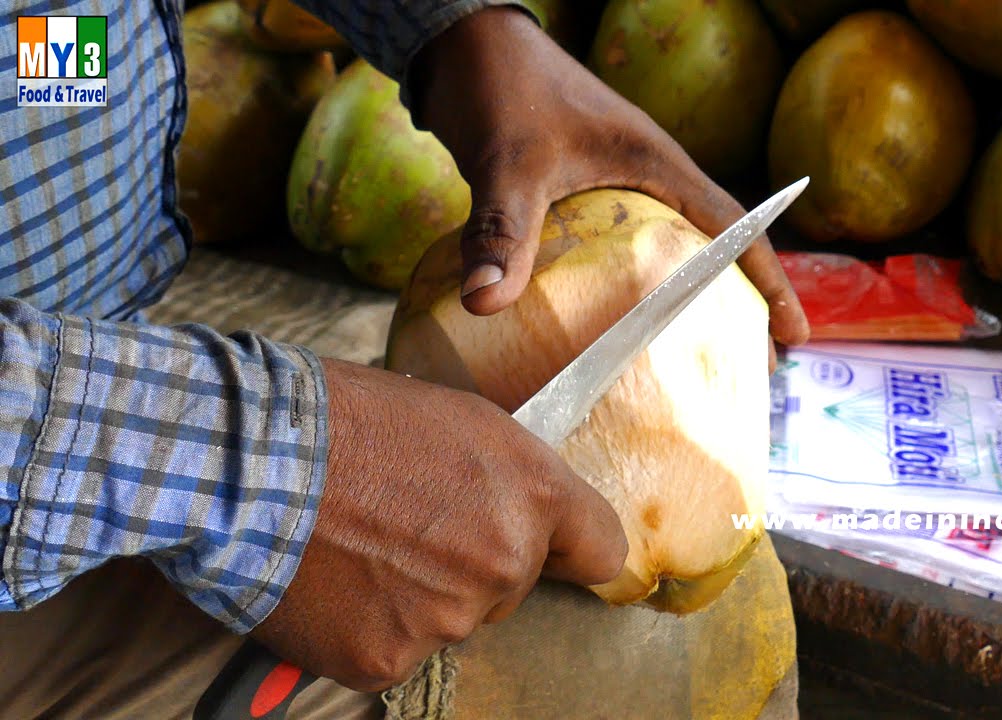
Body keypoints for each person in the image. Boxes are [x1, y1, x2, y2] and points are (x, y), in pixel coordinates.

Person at [0, 0, 809, 716]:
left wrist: (453, 27)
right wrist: (243, 470)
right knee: (650, 663)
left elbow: (43, 46)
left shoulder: (57, 53)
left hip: (98, 332)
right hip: (48, 478)